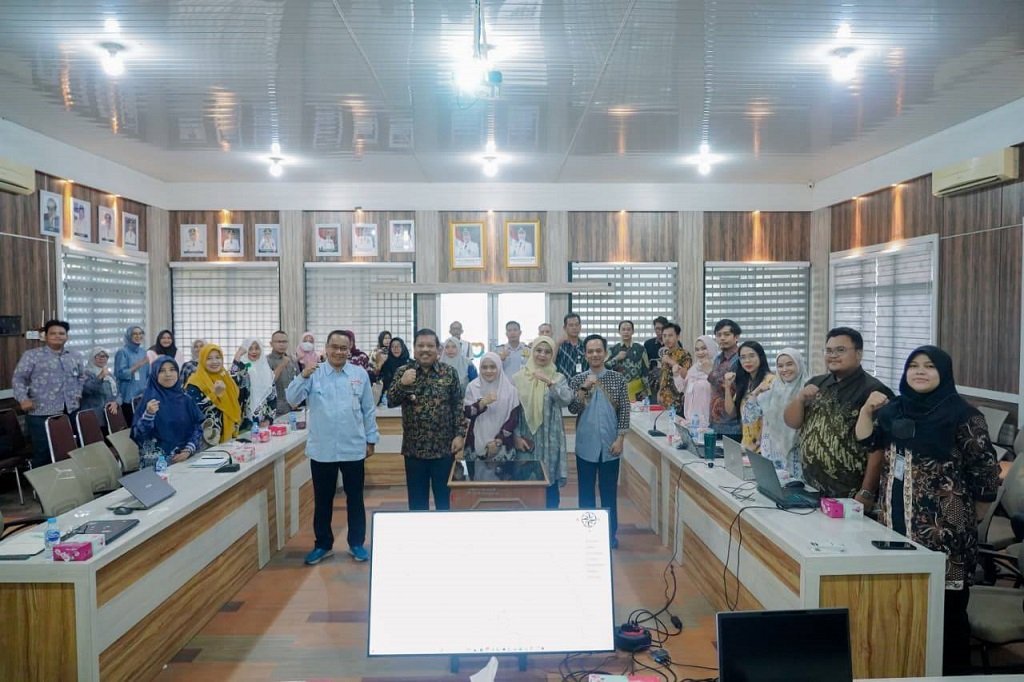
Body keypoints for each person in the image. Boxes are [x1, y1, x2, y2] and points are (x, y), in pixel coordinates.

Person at [854, 346, 1001, 675]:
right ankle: (910, 666)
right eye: (914, 366)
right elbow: (870, 443)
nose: (920, 372)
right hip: (895, 521)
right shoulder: (895, 410)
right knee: (903, 599)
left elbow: (986, 471)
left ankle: (949, 672)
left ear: (944, 373)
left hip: (947, 530)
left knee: (948, 608)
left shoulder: (964, 415)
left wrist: (971, 515)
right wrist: (866, 412)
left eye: (929, 367)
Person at [286, 330, 379, 565]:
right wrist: (303, 376)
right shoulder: (313, 374)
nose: (339, 352)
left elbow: (368, 409)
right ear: (326, 348)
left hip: (353, 447)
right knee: (323, 499)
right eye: (334, 347)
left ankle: (356, 543)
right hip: (322, 449)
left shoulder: (359, 374)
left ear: (349, 349)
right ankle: (323, 545)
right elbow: (291, 399)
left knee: (355, 498)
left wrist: (371, 439)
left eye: (343, 348)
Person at [784, 327, 895, 505]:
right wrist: (799, 399)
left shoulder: (874, 391)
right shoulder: (816, 383)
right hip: (811, 487)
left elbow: (879, 449)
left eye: (840, 350)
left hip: (849, 494)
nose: (833, 355)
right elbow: (792, 422)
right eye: (828, 350)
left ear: (859, 354)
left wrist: (866, 492)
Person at [386, 329, 467, 511]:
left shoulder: (449, 373)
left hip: (444, 451)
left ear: (438, 349)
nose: (425, 349)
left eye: (430, 346)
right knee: (417, 505)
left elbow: (457, 406)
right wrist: (402, 384)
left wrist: (460, 435)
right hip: (414, 452)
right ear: (414, 349)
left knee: (445, 503)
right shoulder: (403, 372)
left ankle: (445, 539)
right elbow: (391, 401)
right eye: (420, 345)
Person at [568, 334, 630, 548]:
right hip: (586, 445)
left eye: (598, 350)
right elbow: (573, 408)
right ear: (585, 354)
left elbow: (624, 410)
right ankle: (587, 535)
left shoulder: (617, 379)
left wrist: (621, 438)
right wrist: (585, 387)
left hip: (611, 446)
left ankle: (610, 536)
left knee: (609, 494)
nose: (595, 354)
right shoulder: (577, 379)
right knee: (585, 494)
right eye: (590, 351)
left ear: (606, 353)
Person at [11, 320, 88, 467]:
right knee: (43, 453)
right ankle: (42, 488)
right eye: (53, 333)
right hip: (40, 412)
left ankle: (67, 484)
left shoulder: (75, 355)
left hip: (69, 410)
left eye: (61, 333)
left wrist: (77, 393)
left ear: (67, 336)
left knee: (69, 450)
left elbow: (82, 376)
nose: (57, 336)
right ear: (45, 336)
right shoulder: (32, 355)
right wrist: (23, 399)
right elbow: (19, 378)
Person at [512, 336, 573, 508]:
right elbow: (511, 411)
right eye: (539, 350)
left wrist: (548, 382)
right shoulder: (518, 378)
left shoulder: (558, 377)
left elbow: (566, 400)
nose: (542, 355)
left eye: (547, 352)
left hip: (549, 437)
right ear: (532, 352)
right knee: (526, 480)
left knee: (549, 482)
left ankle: (551, 522)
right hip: (526, 436)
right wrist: (515, 436)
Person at [131, 357, 205, 469]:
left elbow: (197, 427)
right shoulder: (147, 401)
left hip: (186, 460)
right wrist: (148, 415)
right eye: (162, 370)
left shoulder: (186, 399)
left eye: (172, 369)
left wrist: (188, 450)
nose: (168, 374)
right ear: (155, 374)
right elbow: (139, 436)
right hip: (157, 466)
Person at [748, 348, 808, 478]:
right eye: (780, 366)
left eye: (789, 364)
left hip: (795, 459)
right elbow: (749, 417)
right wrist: (755, 393)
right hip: (770, 455)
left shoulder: (806, 391)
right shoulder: (773, 389)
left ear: (799, 364)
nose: (784, 369)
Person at [463, 353, 521, 465]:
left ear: (499, 367)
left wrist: (498, 441)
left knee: (503, 480)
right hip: (476, 442)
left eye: (492, 367)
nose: (488, 371)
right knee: (475, 480)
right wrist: (482, 403)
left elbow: (513, 419)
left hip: (503, 444)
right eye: (484, 367)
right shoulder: (472, 387)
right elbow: (467, 413)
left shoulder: (510, 390)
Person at [185, 344, 243, 446]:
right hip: (206, 440)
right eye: (209, 358)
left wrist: (238, 356)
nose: (215, 362)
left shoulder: (225, 377)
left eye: (218, 357)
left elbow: (236, 397)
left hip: (229, 436)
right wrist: (214, 395)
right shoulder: (195, 382)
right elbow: (192, 411)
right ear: (202, 360)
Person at [723, 341, 775, 453]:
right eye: (743, 357)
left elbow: (772, 418)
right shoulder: (745, 383)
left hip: (764, 447)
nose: (747, 361)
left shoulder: (770, 381)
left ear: (760, 357)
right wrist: (727, 387)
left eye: (752, 356)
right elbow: (731, 413)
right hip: (746, 447)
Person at [708, 319, 742, 440]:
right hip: (715, 424)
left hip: (734, 426)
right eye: (719, 335)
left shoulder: (742, 359)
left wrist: (709, 373)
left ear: (736, 337)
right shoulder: (717, 359)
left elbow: (727, 385)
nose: (722, 338)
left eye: (726, 334)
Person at [232, 338, 277, 428]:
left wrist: (269, 420)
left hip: (262, 420)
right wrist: (238, 355)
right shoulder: (242, 367)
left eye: (257, 348)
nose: (254, 351)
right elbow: (233, 378)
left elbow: (272, 396)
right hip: (243, 421)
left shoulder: (266, 370)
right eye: (250, 348)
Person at [676, 334, 716, 428]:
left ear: (711, 348)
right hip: (691, 420)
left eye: (704, 348)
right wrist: (676, 375)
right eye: (697, 350)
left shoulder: (716, 368)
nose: (700, 352)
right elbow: (682, 388)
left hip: (708, 422)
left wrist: (709, 372)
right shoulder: (694, 368)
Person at [606, 320, 650, 402]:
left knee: (637, 414)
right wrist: (616, 358)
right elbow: (604, 368)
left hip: (637, 391)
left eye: (628, 329)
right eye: (623, 329)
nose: (626, 332)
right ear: (619, 331)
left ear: (633, 331)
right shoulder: (612, 349)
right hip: (618, 391)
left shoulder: (641, 349)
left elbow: (646, 370)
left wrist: (646, 391)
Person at [114, 325, 149, 422]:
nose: (138, 336)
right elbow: (121, 374)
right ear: (129, 336)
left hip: (142, 397)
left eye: (140, 333)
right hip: (128, 398)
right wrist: (139, 364)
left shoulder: (143, 352)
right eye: (135, 334)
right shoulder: (122, 352)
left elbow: (147, 375)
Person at [655, 323, 692, 411]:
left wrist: (671, 362)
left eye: (670, 335)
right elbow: (664, 375)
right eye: (664, 336)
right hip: (664, 400)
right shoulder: (665, 354)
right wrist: (659, 391)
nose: (667, 339)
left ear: (678, 336)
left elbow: (687, 375)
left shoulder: (685, 354)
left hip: (677, 401)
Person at [81, 348, 120, 427]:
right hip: (94, 418)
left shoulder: (109, 374)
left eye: (105, 356)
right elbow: (86, 390)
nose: (102, 359)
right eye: (98, 356)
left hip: (110, 416)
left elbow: (119, 393)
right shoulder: (86, 373)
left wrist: (116, 402)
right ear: (92, 357)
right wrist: (100, 376)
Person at [267, 331, 299, 415]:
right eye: (278, 342)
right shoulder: (266, 361)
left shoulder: (292, 360)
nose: (282, 344)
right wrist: (282, 365)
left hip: (292, 407)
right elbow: (268, 383)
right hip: (274, 409)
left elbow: (298, 380)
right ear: (271, 344)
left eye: (284, 342)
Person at [555, 313, 586, 379]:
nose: (574, 327)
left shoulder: (586, 347)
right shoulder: (559, 346)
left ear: (580, 326)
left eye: (577, 325)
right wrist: (556, 345)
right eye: (571, 325)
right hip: (562, 385)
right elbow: (551, 365)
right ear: (565, 328)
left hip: (582, 386)